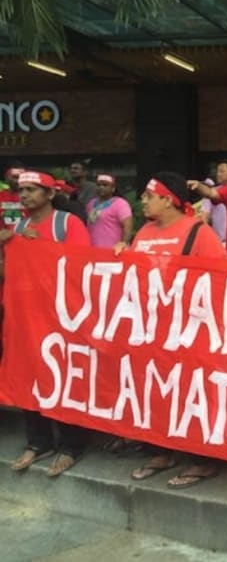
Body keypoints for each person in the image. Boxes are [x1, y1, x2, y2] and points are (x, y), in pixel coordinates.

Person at [117, 172, 227, 488]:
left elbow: (221, 279)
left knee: (193, 392)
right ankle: (162, 451)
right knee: (158, 389)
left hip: (190, 331)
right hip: (154, 330)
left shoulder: (199, 232)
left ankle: (203, 460)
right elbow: (134, 276)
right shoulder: (144, 233)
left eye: (149, 196)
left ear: (168, 199)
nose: (143, 200)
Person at [0, 170, 91, 478]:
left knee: (63, 376)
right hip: (26, 316)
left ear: (50, 194)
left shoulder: (68, 223)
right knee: (30, 375)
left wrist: (40, 248)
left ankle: (71, 444)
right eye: (20, 189)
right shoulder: (19, 226)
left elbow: (83, 267)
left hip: (61, 317)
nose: (24, 195)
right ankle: (38, 442)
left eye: (31, 190)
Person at [86, 173, 133, 248]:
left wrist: (123, 244)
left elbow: (128, 227)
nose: (101, 187)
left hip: (113, 253)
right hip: (93, 252)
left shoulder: (120, 203)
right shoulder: (90, 204)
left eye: (105, 185)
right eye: (99, 185)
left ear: (113, 188)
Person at [0, 163, 25, 229]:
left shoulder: (33, 196)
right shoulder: (1, 196)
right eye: (15, 177)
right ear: (6, 177)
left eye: (22, 177)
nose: (19, 180)